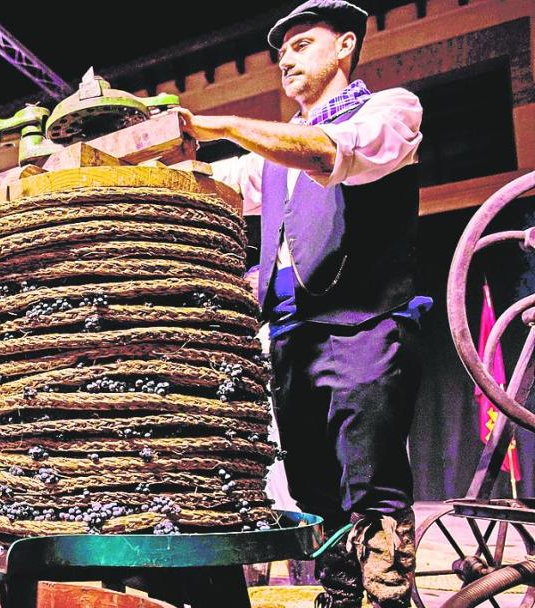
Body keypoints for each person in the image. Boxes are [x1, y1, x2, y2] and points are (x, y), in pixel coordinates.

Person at [175, 2, 425, 605]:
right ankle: (339, 594)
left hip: (362, 324)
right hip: (291, 335)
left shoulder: (391, 110)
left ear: (344, 46)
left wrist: (225, 124)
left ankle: (387, 595)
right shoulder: (270, 159)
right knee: (314, 484)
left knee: (370, 482)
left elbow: (329, 153)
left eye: (301, 43)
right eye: (280, 50)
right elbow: (217, 185)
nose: (285, 57)